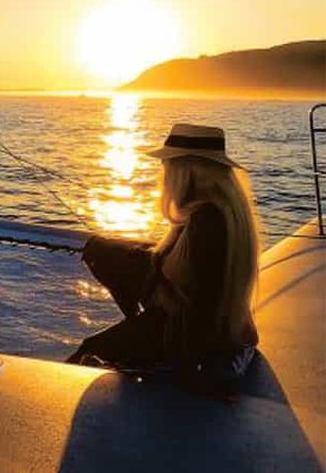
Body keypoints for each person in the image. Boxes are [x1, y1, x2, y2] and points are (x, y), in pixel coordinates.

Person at [68, 124, 260, 386]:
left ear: (186, 170)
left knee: (87, 353)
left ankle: (135, 329)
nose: (164, 171)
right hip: (188, 312)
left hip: (182, 330)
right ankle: (135, 323)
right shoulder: (218, 208)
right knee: (100, 250)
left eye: (168, 164)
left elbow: (201, 315)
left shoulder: (207, 223)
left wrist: (176, 367)